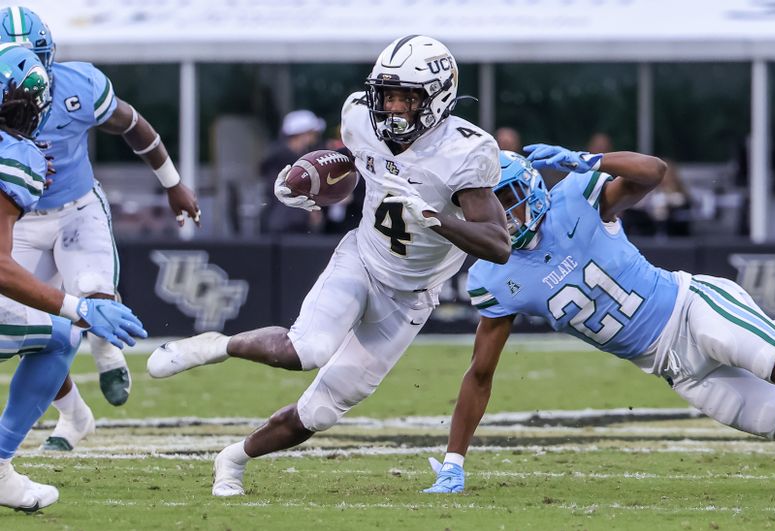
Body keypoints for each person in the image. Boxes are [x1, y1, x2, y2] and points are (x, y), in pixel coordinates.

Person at [147, 35, 511, 496]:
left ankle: (232, 459)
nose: (394, 108)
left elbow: (498, 245)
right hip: (362, 258)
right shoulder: (361, 115)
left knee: (320, 412)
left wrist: (435, 219)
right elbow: (351, 165)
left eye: (408, 97)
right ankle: (218, 345)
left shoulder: (465, 150)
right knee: (309, 349)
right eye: (388, 95)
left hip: (412, 297)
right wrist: (308, 182)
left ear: (438, 96)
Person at [423, 145, 775, 493]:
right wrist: (453, 462)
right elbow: (480, 373)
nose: (501, 215)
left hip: (691, 312)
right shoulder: (493, 277)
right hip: (679, 371)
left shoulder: (575, 200)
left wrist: (589, 159)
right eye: (488, 206)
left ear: (531, 187)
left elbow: (653, 172)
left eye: (506, 198)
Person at [0, 6, 199, 451]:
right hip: (18, 221)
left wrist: (172, 182)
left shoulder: (79, 86)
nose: (27, 84)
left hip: (75, 209)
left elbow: (131, 124)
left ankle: (105, 349)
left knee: (90, 292)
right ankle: (73, 415)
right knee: (34, 326)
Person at [0, 43, 146, 512]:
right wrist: (78, 307)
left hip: (76, 215)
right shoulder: (16, 156)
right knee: (62, 337)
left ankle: (75, 416)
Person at [260, 109, 326, 234]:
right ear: (300, 135)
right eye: (312, 134)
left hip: (295, 227)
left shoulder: (295, 159)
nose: (314, 139)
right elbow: (283, 197)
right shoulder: (279, 162)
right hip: (284, 230)